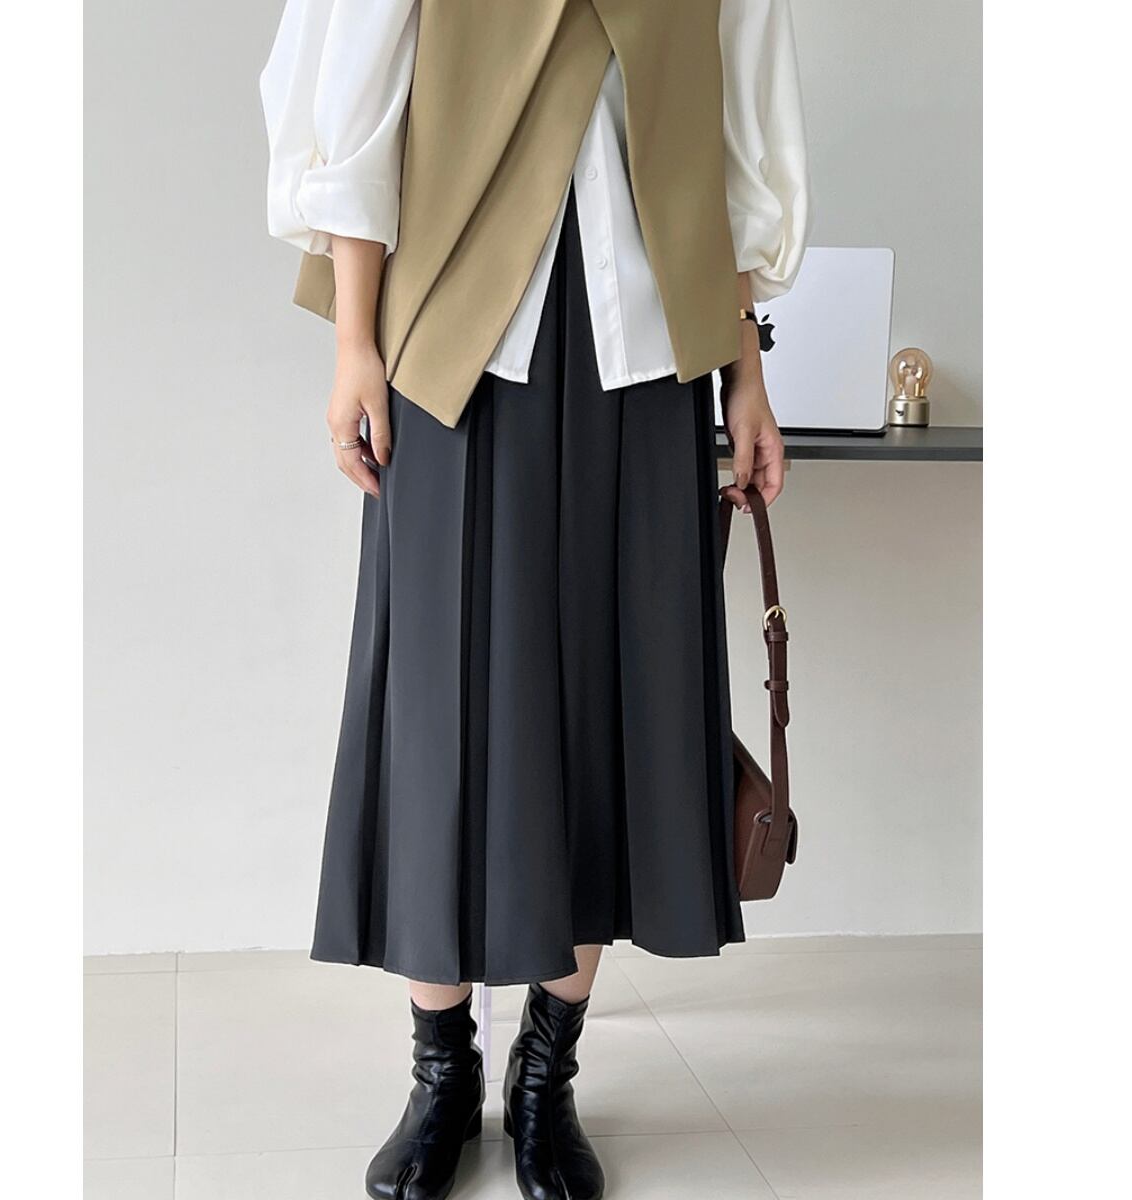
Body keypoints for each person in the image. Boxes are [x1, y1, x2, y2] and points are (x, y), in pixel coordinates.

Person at [261, 2, 809, 1197]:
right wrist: (353, 344)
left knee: (606, 705)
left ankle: (547, 1072)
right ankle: (441, 1069)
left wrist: (748, 376)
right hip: (451, 340)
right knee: (439, 713)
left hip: (648, 350)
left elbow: (739, 127)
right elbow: (354, 89)